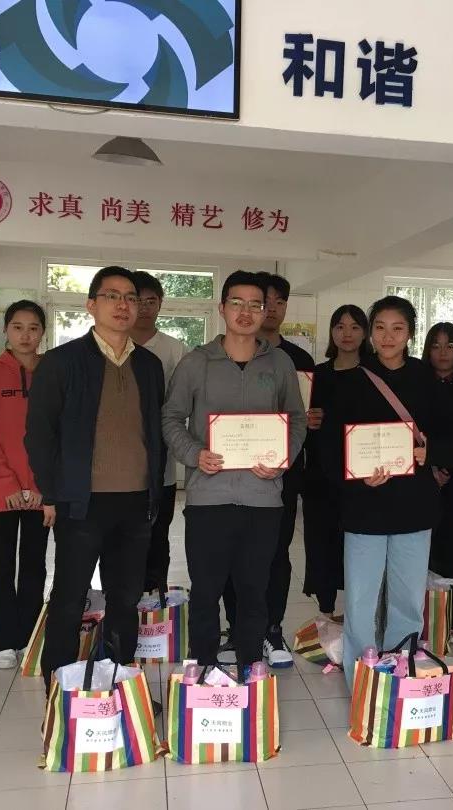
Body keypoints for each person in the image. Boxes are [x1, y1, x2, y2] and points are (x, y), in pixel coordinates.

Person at [26, 266, 165, 693]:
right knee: (70, 596)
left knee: (125, 599)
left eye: (130, 297)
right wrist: (51, 493)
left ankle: (119, 686)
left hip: (136, 502)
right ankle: (60, 688)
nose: (123, 305)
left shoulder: (149, 365)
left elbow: (153, 431)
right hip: (81, 503)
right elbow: (39, 434)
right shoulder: (62, 362)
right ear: (91, 305)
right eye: (112, 296)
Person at [163, 271, 307, 679]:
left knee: (254, 589)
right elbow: (171, 418)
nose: (246, 312)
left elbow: (295, 420)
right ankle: (203, 669)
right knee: (206, 591)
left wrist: (282, 457)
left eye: (255, 305)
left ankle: (250, 667)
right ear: (222, 308)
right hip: (209, 497)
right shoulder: (196, 362)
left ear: (266, 311)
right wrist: (195, 453)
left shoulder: (279, 363)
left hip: (263, 498)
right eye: (237, 303)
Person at [330, 296, 453, 692]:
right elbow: (330, 447)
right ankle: (360, 675)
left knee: (407, 598)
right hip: (364, 507)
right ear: (370, 333)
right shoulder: (350, 381)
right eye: (380, 328)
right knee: (360, 598)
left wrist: (431, 453)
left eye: (397, 328)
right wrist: (357, 477)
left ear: (410, 333)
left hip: (413, 506)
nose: (388, 336)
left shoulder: (427, 381)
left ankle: (401, 665)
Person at [220, 272, 315, 667]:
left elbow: (300, 417)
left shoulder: (297, 360)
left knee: (275, 553)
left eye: (277, 302)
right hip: (228, 475)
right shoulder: (219, 356)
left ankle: (272, 629)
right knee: (231, 554)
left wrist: (308, 423)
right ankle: (237, 628)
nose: (269, 308)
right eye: (264, 301)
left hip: (280, 475)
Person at [0, 300, 50, 670]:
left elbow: (57, 433)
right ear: (6, 330)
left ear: (43, 333)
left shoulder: (53, 372)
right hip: (0, 489)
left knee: (35, 564)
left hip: (41, 491)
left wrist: (40, 485)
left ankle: (27, 637)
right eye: (18, 327)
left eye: (33, 327)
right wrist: (7, 482)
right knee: (1, 563)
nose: (26, 335)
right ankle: (2, 641)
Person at [301, 305, 371, 618]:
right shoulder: (316, 375)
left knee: (359, 547)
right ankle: (326, 613)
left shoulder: (375, 375)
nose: (347, 334)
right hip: (321, 476)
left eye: (355, 327)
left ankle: (358, 616)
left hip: (363, 479)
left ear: (365, 333)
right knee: (322, 545)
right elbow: (297, 425)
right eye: (340, 327)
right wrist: (307, 421)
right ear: (331, 332)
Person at [129, 271, 187, 592]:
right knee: (122, 541)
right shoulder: (110, 344)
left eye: (151, 301)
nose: (145, 308)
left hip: (160, 466)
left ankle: (155, 603)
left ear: (161, 304)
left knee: (157, 536)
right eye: (138, 301)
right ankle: (122, 606)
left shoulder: (175, 350)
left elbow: (181, 407)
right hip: (117, 468)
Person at [420, 322, 453, 634]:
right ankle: (420, 624)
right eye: (436, 345)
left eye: (450, 346)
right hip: (420, 478)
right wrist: (430, 467)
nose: (443, 352)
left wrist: (447, 467)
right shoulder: (417, 383)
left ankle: (451, 627)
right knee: (419, 554)